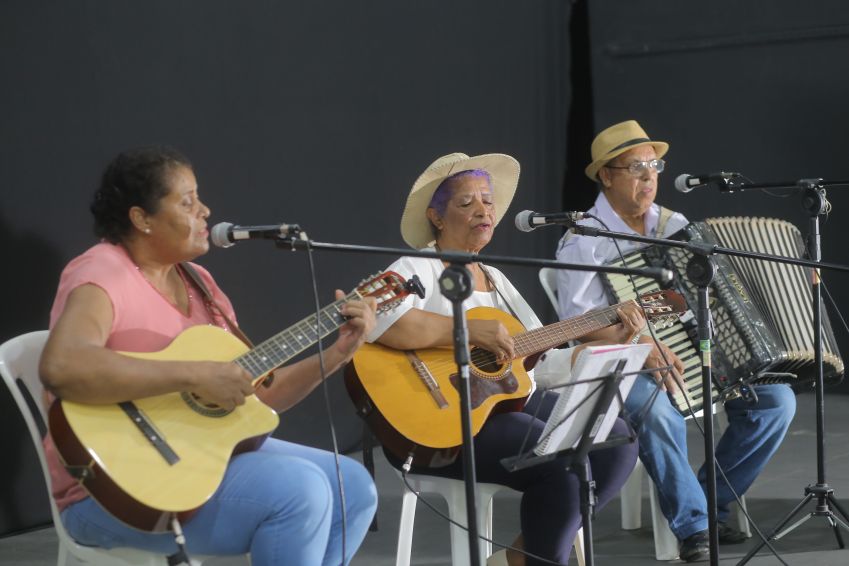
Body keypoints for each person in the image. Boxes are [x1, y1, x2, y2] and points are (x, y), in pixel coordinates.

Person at [38, 146, 378, 566]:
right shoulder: (103, 272)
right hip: (108, 491)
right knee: (301, 490)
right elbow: (63, 366)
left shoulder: (200, 283)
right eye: (187, 202)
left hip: (195, 457)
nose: (206, 211)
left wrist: (337, 354)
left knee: (353, 487)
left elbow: (257, 397)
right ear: (142, 218)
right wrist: (193, 375)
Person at [366, 152, 643, 566]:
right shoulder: (415, 267)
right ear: (436, 217)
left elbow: (533, 362)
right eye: (467, 203)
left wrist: (591, 347)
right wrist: (466, 331)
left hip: (501, 403)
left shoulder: (495, 280)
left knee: (616, 441)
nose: (483, 210)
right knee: (560, 461)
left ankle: (520, 556)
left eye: (488, 201)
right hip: (440, 421)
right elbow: (372, 319)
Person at [555, 120, 797, 562]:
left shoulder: (674, 224)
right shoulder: (584, 239)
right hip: (621, 357)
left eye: (654, 167)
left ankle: (710, 499)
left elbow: (708, 294)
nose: (649, 177)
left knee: (776, 402)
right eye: (636, 168)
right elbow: (576, 324)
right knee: (656, 411)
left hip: (690, 347)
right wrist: (643, 346)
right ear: (606, 175)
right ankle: (695, 526)